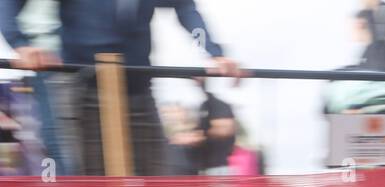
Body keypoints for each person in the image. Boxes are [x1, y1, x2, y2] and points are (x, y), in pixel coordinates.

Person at [0, 0, 240, 176]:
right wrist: (20, 44)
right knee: (87, 183)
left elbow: (185, 8)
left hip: (139, 88)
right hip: (83, 90)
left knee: (159, 179)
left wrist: (212, 52)